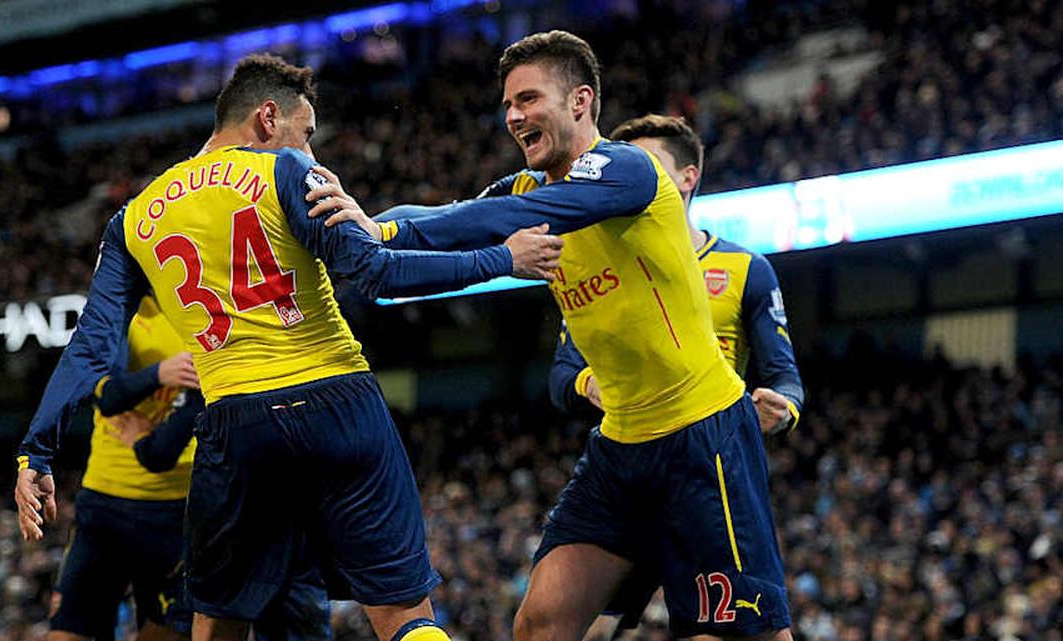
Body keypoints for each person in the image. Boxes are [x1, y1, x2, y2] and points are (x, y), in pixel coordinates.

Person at [13, 53, 563, 641]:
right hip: (338, 404)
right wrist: (503, 259)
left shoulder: (134, 219)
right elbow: (376, 275)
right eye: (306, 136)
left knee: (216, 619)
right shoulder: (290, 175)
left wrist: (36, 451)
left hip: (234, 425)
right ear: (268, 119)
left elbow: (89, 348)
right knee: (404, 614)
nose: (313, 154)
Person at [313, 32, 792, 641]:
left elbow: (496, 221)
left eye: (529, 98)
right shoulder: (526, 189)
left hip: (703, 435)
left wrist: (382, 234)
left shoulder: (628, 169)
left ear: (580, 101)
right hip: (620, 448)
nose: (513, 116)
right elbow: (450, 218)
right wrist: (364, 225)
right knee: (540, 624)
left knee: (744, 634)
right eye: (508, 103)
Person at [548, 115, 804, 640]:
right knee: (576, 625)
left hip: (708, 460)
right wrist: (588, 385)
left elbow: (785, 377)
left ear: (687, 178)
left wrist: (782, 410)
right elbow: (561, 375)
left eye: (646, 165)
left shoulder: (745, 269)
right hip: (628, 460)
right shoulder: (599, 263)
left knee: (727, 630)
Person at [37, 294, 201, 641]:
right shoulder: (115, 311)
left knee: (168, 633)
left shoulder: (200, 311)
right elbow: (106, 396)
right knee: (66, 634)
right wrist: (160, 372)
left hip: (179, 509)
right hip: (107, 502)